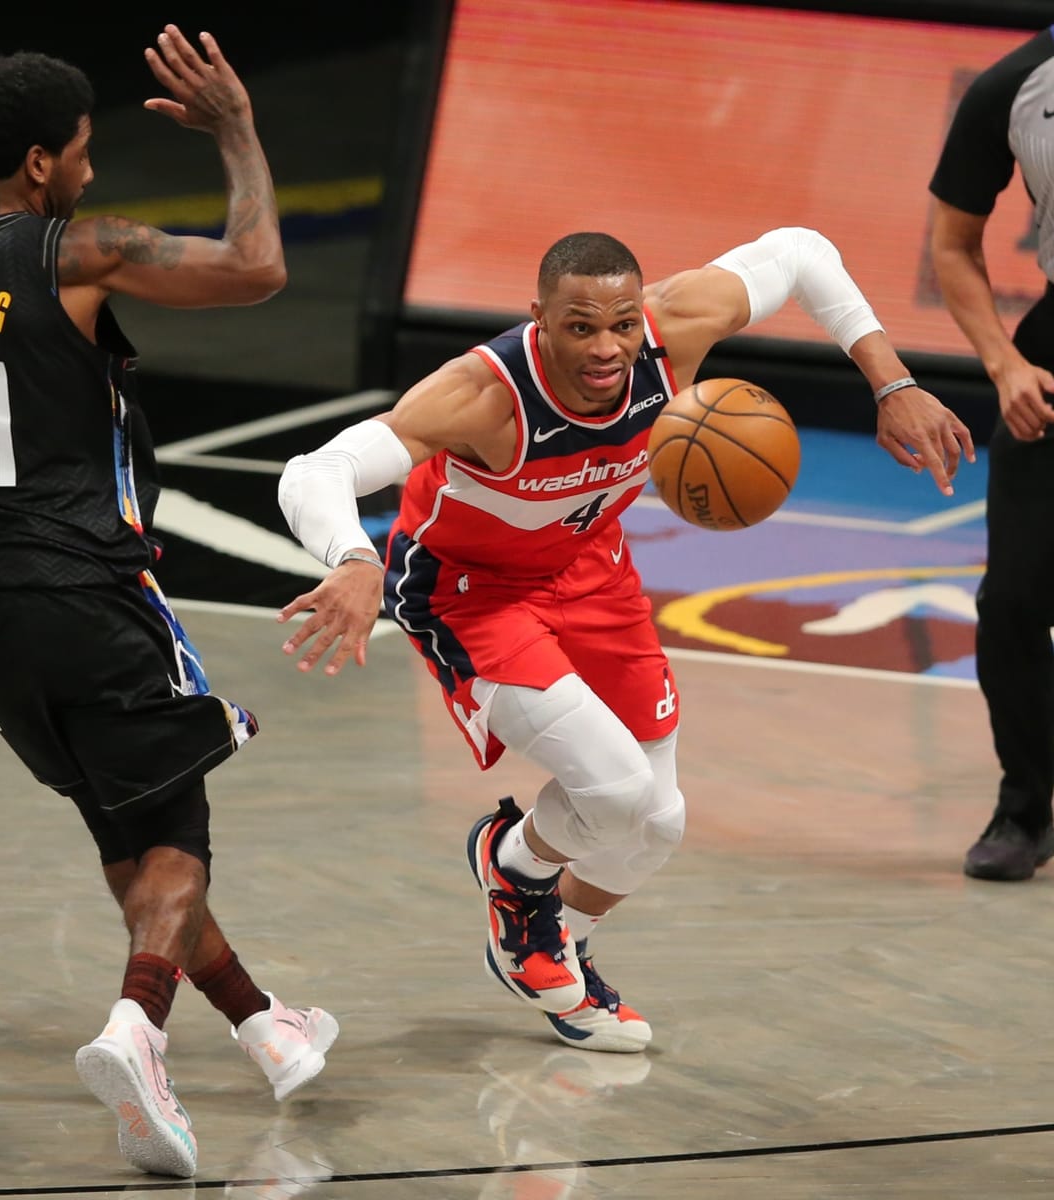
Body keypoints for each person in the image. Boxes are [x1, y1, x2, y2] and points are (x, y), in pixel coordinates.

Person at [276, 226, 974, 1052]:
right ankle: (514, 869)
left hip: (591, 570)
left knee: (657, 824)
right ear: (539, 318)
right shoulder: (482, 394)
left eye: (622, 324)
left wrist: (893, 382)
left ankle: (553, 947)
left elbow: (802, 251)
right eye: (580, 328)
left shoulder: (677, 327)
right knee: (612, 790)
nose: (607, 348)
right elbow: (314, 471)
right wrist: (354, 559)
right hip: (473, 596)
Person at [0, 26, 337, 1181]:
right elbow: (258, 267)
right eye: (80, 149)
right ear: (40, 164)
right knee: (176, 835)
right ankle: (137, 1034)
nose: (89, 165)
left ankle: (264, 1022)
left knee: (119, 819)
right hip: (81, 586)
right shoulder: (80, 252)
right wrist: (237, 130)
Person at [929, 27, 1054, 884]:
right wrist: (1006, 364)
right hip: (1050, 356)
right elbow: (952, 243)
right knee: (1011, 599)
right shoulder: (1013, 86)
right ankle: (1025, 807)